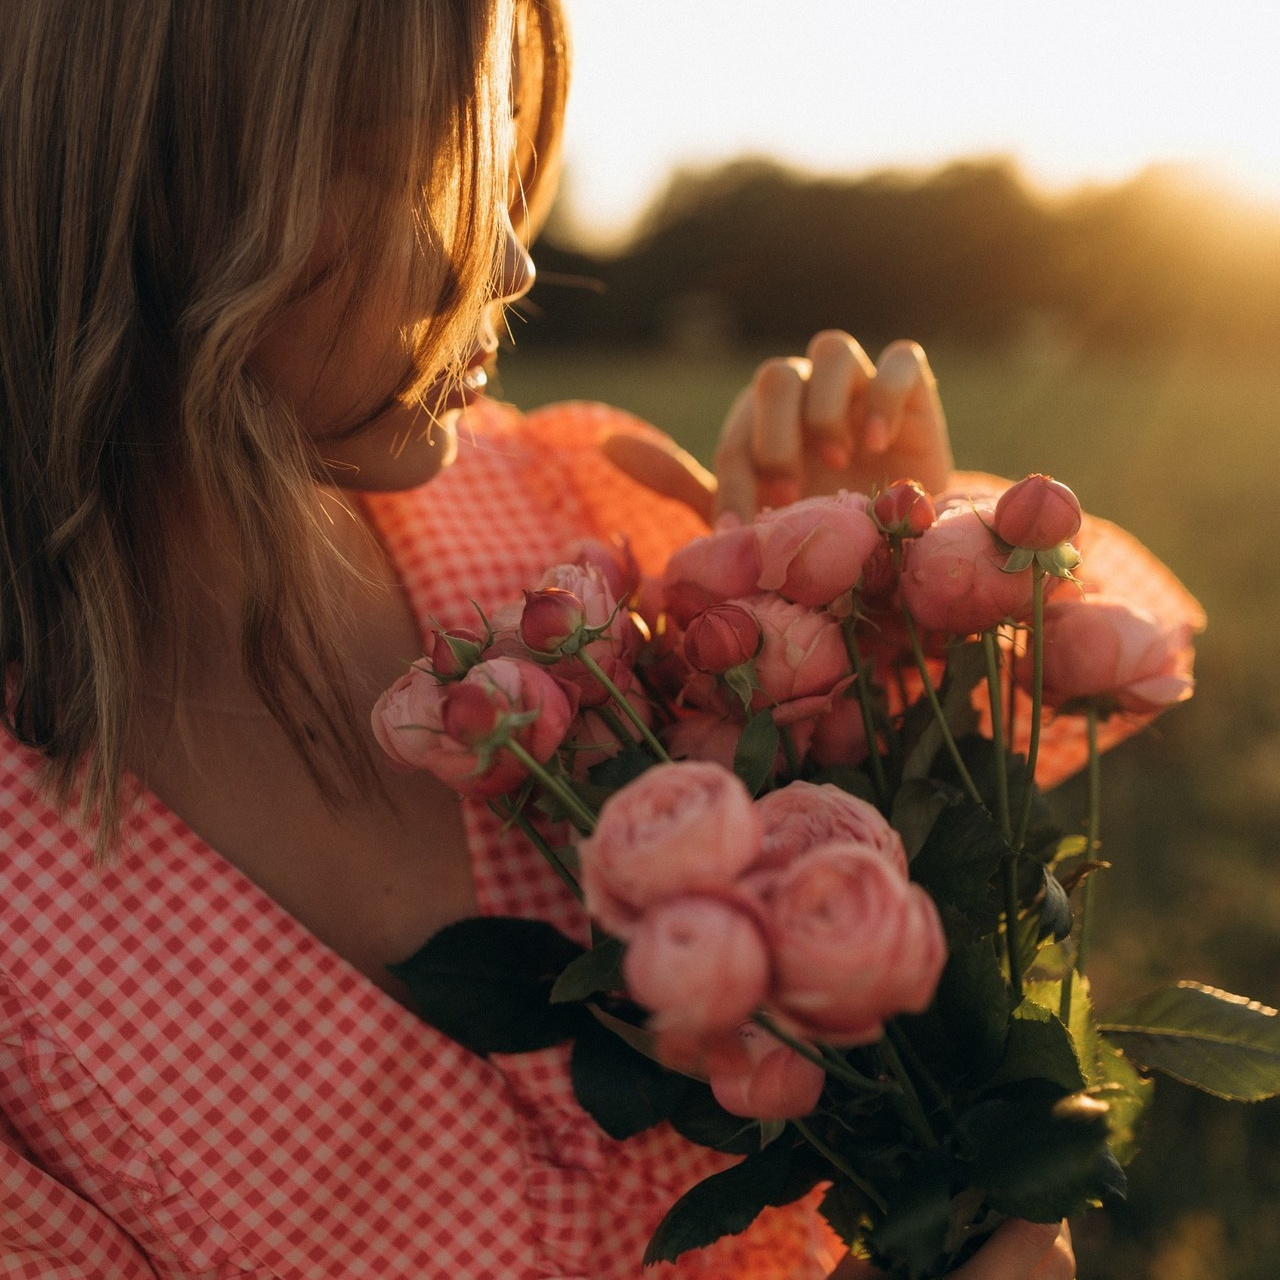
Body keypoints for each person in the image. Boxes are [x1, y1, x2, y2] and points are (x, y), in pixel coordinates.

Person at [0, 3, 1072, 1277]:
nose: (507, 262)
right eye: (409, 169)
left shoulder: (568, 542)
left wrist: (882, 671)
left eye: (492, 154)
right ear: (138, 186)